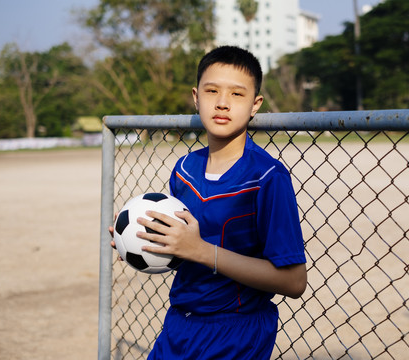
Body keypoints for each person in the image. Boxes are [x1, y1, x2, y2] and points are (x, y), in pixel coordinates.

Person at [111, 45, 307, 359]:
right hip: (179, 323)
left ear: (255, 104)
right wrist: (140, 240)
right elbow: (182, 246)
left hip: (237, 332)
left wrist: (202, 251)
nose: (222, 103)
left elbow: (294, 281)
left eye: (237, 94)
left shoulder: (267, 177)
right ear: (196, 97)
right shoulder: (184, 169)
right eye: (212, 90)